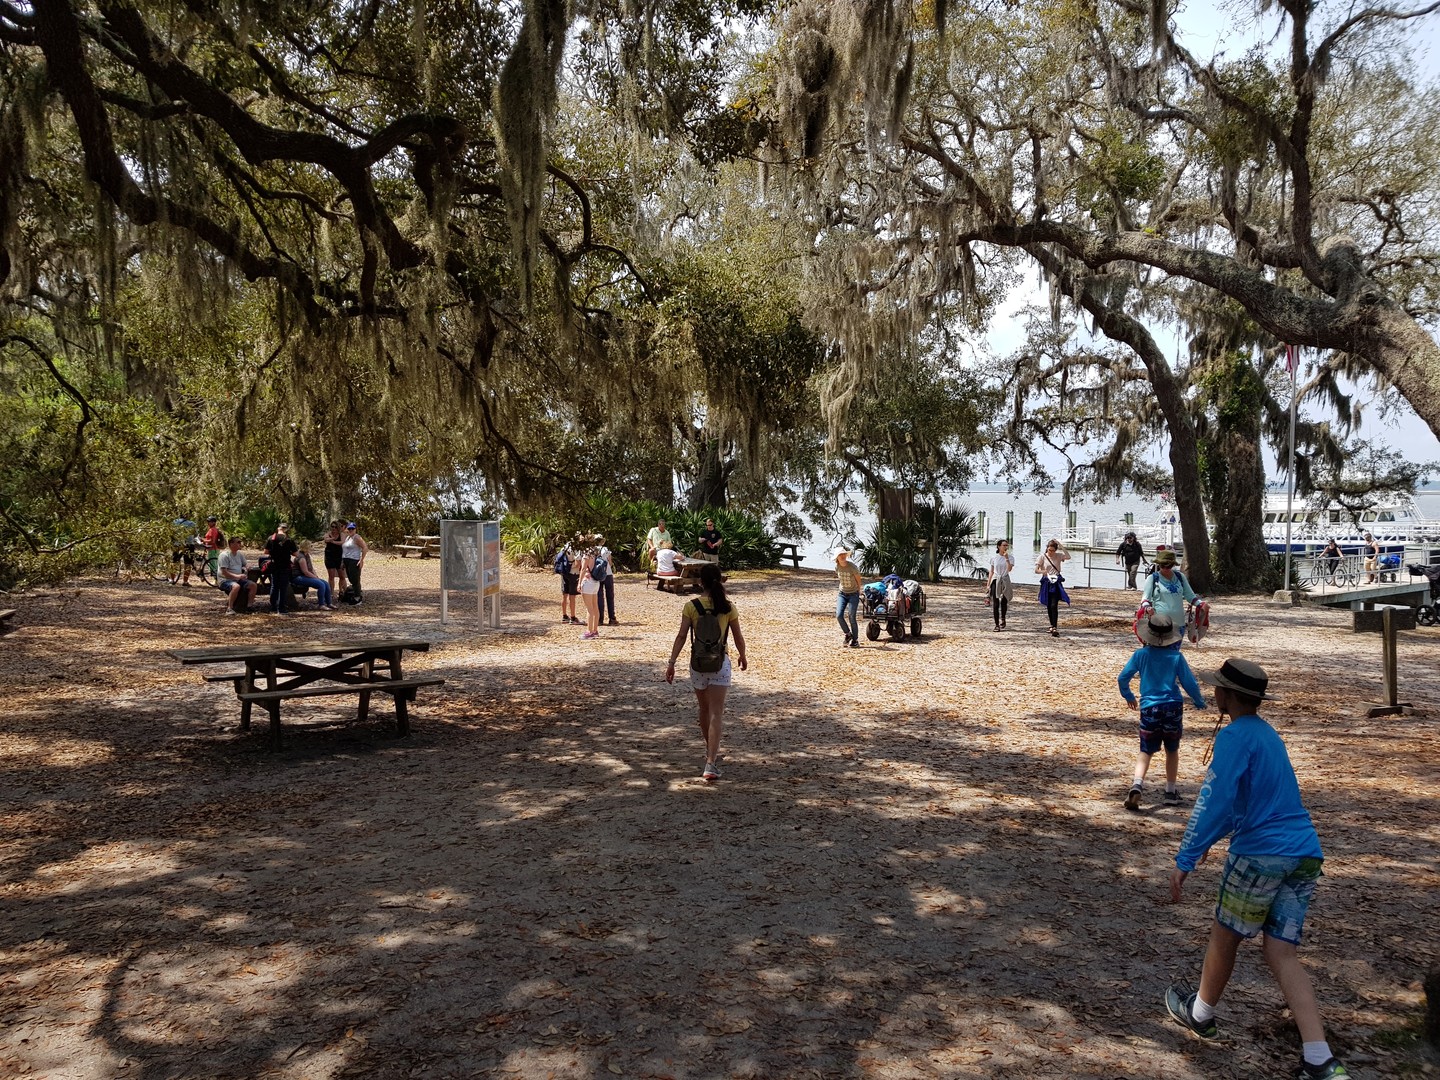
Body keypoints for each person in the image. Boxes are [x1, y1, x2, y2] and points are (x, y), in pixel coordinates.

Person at [1166, 659, 1348, 1080]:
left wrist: (1186, 858)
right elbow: (1252, 802)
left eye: (1217, 689)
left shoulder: (1232, 737)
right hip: (1304, 852)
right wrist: (1212, 841)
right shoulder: (1269, 736)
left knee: (1224, 934)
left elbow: (1215, 800)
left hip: (1261, 853)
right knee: (1281, 952)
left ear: (1226, 696)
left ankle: (1201, 1013)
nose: (1213, 693)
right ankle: (1320, 1059)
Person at [665, 562, 748, 783]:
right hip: (720, 663)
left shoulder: (691, 606)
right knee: (716, 713)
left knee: (703, 709)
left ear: (701, 582)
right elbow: (738, 637)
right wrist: (742, 655)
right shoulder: (728, 606)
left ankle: (710, 752)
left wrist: (671, 662)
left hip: (697, 664)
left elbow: (682, 636)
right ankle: (710, 762)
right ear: (720, 580)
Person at [1118, 611, 1206, 810]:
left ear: (1147, 634)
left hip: (1149, 707)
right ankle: (1170, 791)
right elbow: (1189, 682)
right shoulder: (1176, 657)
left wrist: (1129, 696)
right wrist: (1199, 701)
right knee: (1172, 749)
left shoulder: (1140, 655)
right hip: (1173, 706)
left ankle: (1137, 784)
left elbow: (1123, 678)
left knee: (1145, 750)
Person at [1143, 549, 1197, 634]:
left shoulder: (1180, 577)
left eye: (1168, 566)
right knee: (1159, 647)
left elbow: (1191, 596)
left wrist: (1201, 605)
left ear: (1173, 565)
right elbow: (1145, 599)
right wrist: (1147, 608)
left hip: (1179, 625)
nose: (1165, 568)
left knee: (1175, 648)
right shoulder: (1152, 578)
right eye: (1162, 565)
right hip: (1158, 626)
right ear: (1159, 564)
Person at [1035, 538, 1071, 637]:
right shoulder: (1042, 557)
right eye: (1049, 550)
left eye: (1053, 550)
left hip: (1056, 582)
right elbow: (1036, 570)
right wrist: (1044, 572)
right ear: (1047, 548)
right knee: (1048, 604)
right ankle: (1051, 625)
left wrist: (1061, 545)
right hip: (1046, 582)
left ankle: (1054, 627)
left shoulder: (1059, 556)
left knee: (1054, 604)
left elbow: (1068, 556)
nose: (1051, 552)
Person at [217, 536, 257, 615]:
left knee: (253, 585)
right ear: (231, 544)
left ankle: (249, 606)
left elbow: (245, 564)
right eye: (238, 542)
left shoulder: (239, 554)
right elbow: (224, 572)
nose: (240, 544)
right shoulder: (224, 555)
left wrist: (247, 567)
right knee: (236, 587)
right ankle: (230, 608)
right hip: (225, 580)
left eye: (240, 542)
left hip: (238, 579)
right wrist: (237, 576)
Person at [264, 522, 299, 614]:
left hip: (274, 565)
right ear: (286, 529)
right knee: (283, 587)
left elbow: (266, 551)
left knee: (274, 586)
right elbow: (296, 554)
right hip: (285, 565)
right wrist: (287, 552)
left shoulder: (271, 538)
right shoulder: (289, 540)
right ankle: (282, 609)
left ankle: (273, 607)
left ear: (278, 528)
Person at [292, 540, 334, 610]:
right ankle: (321, 604)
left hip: (305, 575)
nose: (312, 547)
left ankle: (329, 603)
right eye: (310, 546)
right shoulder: (301, 557)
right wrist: (315, 578)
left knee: (326, 583)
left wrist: (316, 576)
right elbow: (305, 571)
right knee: (321, 584)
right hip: (298, 577)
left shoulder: (307, 555)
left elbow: (311, 569)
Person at [834, 547, 863, 647]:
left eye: (843, 554)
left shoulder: (852, 567)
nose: (842, 556)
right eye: (840, 555)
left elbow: (858, 579)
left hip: (853, 594)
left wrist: (859, 590)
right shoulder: (837, 566)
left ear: (846, 555)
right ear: (837, 557)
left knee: (852, 616)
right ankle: (848, 634)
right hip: (842, 593)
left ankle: (855, 640)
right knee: (839, 615)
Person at [576, 539, 602, 639]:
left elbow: (583, 569)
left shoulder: (587, 553)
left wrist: (579, 583)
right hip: (596, 582)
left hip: (588, 581)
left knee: (589, 608)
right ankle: (595, 630)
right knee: (595, 607)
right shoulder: (596, 552)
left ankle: (589, 631)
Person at [986, 538, 1015, 630]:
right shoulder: (994, 558)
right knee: (995, 602)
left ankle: (1003, 618)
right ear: (999, 546)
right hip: (996, 579)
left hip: (1005, 578)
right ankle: (996, 624)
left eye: (1007, 545)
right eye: (1004, 545)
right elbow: (991, 571)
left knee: (1004, 601)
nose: (1006, 547)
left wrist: (1006, 559)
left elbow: (1009, 569)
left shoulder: (1011, 557)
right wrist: (988, 583)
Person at [341, 522, 368, 603]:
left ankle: (358, 597)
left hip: (354, 560)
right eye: (349, 528)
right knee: (350, 578)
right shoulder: (348, 538)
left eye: (352, 529)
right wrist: (343, 561)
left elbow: (365, 548)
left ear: (355, 529)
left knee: (355, 579)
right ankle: (355, 593)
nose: (351, 530)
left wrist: (361, 559)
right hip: (346, 560)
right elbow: (345, 550)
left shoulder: (357, 537)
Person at [323, 520, 349, 602]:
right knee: (331, 576)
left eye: (335, 527)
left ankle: (343, 592)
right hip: (329, 557)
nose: (333, 528)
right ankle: (331, 593)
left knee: (342, 576)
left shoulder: (342, 534)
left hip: (339, 557)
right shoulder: (328, 534)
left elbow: (342, 542)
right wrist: (330, 539)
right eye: (332, 527)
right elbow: (326, 539)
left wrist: (333, 541)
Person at [595, 535, 617, 626]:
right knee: (610, 596)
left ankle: (600, 619)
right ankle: (612, 618)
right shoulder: (605, 549)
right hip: (607, 574)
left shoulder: (592, 550)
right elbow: (610, 562)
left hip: (597, 575)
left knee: (599, 596)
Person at [555, 541, 580, 623]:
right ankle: (573, 617)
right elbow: (577, 563)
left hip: (564, 572)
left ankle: (564, 615)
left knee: (564, 594)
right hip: (573, 573)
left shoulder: (565, 547)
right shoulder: (576, 549)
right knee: (572, 595)